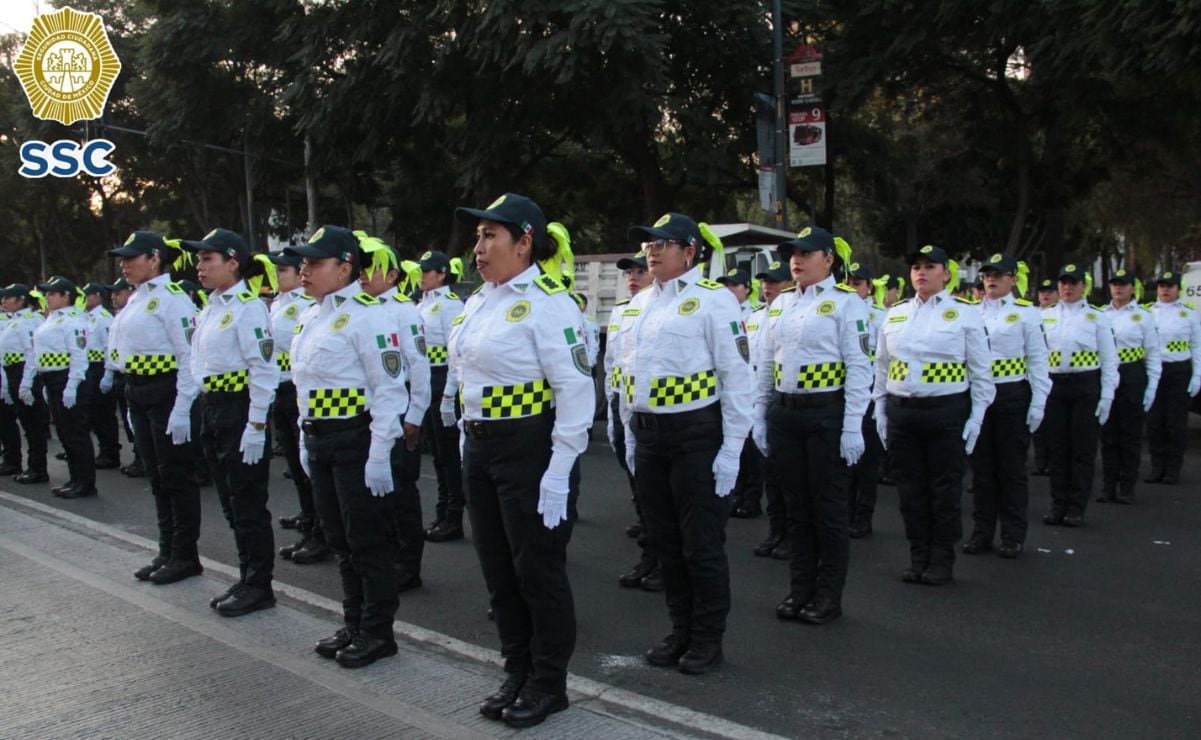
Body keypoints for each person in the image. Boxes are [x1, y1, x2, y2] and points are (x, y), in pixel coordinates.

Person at [449, 194, 592, 727]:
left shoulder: (550, 303)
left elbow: (575, 392)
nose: (478, 248)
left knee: (538, 572)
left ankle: (548, 683)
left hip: (530, 448)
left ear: (525, 241)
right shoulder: (479, 301)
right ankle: (517, 670)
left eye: (491, 237)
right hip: (482, 447)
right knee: (498, 570)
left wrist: (559, 472)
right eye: (477, 237)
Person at [620, 212, 754, 674]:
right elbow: (629, 377)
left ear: (690, 250)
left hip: (697, 436)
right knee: (665, 541)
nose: (651, 251)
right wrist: (630, 435)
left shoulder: (714, 301)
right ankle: (680, 629)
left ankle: (707, 638)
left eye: (663, 243)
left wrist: (733, 450)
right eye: (648, 244)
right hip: (649, 436)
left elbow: (737, 378)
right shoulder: (640, 305)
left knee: (701, 544)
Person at [286, 225, 409, 668]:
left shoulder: (370, 315)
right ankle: (354, 621)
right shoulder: (310, 316)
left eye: (314, 263)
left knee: (366, 541)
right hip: (321, 438)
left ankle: (378, 632)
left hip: (356, 439)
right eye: (302, 263)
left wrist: (380, 452)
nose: (304, 270)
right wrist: (304, 436)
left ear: (344, 268)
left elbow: (390, 389)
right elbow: (306, 384)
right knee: (339, 539)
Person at [754, 227, 870, 624]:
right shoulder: (782, 303)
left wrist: (853, 424)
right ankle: (800, 588)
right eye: (792, 254)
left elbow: (858, 366)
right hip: (786, 415)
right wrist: (760, 413)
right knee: (795, 508)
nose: (796, 260)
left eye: (806, 253)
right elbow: (767, 363)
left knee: (828, 509)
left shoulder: (846, 304)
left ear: (829, 259)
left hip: (826, 414)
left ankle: (827, 595)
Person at [875, 245, 994, 585]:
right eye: (915, 267)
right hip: (903, 412)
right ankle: (918, 555)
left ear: (946, 272)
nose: (921, 273)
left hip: (945, 411)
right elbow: (882, 367)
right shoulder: (896, 313)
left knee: (944, 490)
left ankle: (942, 558)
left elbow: (981, 374)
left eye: (929, 266)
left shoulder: (966, 313)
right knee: (910, 491)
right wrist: (881, 411)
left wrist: (976, 419)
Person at [183, 229, 280, 616]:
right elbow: (198, 360)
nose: (200, 267)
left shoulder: (248, 307)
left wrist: (256, 426)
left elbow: (263, 370)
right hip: (213, 408)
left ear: (233, 262)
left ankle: (259, 585)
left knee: (248, 503)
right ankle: (247, 575)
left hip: (238, 409)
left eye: (208, 259)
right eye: (199, 260)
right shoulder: (212, 306)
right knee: (230, 502)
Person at [108, 231, 204, 584]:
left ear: (154, 259)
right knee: (157, 476)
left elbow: (187, 356)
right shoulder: (136, 298)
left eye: (131, 257)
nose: (124, 264)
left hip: (166, 391)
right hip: (138, 390)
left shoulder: (173, 299)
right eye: (122, 258)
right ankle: (167, 549)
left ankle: (185, 555)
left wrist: (182, 407)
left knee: (176, 476)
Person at [356, 234, 432, 593]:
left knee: (401, 493)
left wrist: (415, 414)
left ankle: (408, 564)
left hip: (399, 412)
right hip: (367, 416)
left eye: (372, 269)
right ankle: (384, 556)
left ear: (392, 275)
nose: (364, 275)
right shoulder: (357, 308)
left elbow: (418, 367)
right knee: (375, 494)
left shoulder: (403, 310)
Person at [963, 255, 1050, 559]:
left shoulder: (1027, 314)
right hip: (977, 395)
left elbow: (1038, 360)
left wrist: (1039, 400)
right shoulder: (970, 312)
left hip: (1011, 393)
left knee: (1011, 469)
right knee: (982, 470)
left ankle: (1012, 535)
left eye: (999, 275)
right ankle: (982, 532)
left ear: (1013, 279)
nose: (991, 279)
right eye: (987, 274)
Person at [1040, 263, 1118, 526]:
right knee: (1058, 449)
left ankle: (1076, 507)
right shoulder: (1045, 315)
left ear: (1083, 285)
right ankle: (1057, 504)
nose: (1067, 288)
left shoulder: (1097, 317)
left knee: (1082, 449)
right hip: (1054, 385)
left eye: (1073, 283)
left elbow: (1109, 360)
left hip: (1085, 385)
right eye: (1063, 282)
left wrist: (1107, 395)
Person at [607, 249, 662, 591]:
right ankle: (650, 552)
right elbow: (612, 363)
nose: (634, 276)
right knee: (639, 489)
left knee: (658, 498)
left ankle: (662, 561)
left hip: (657, 410)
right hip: (623, 403)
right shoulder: (620, 312)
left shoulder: (663, 311)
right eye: (629, 272)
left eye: (640, 270)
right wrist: (613, 415)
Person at [268, 251, 326, 563]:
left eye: (284, 269)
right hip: (279, 388)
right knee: (295, 463)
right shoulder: (280, 304)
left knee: (309, 469)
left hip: (297, 390)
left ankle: (320, 532)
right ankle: (309, 521)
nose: (279, 274)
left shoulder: (306, 305)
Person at [21, 276, 95, 497]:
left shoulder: (73, 319)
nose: (47, 297)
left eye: (52, 294)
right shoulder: (51, 319)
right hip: (52, 380)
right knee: (64, 433)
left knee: (76, 434)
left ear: (66, 296)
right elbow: (40, 353)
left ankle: (86, 483)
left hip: (68, 379)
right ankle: (75, 479)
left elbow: (79, 356)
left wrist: (72, 385)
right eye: (47, 294)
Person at [1097, 270, 1161, 503]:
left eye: (1123, 285)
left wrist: (1152, 386)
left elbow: (1153, 354)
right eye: (1114, 284)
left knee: (1130, 434)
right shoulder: (1101, 314)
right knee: (1108, 434)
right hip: (1106, 374)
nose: (1118, 289)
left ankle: (1127, 487)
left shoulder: (1143, 316)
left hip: (1131, 373)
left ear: (1133, 288)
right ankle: (1108, 486)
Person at [419, 249, 467, 543]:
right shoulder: (422, 304)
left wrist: (449, 394)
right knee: (437, 454)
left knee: (448, 455)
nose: (421, 276)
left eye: (427, 271)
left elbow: (455, 354)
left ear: (441, 274)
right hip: (426, 381)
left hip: (442, 381)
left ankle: (453, 517)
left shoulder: (449, 305)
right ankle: (442, 511)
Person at [747, 260, 794, 555]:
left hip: (788, 397)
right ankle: (776, 532)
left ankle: (792, 535)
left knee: (790, 477)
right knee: (772, 476)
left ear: (789, 284)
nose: (767, 287)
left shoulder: (793, 312)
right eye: (765, 281)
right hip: (761, 395)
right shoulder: (755, 317)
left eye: (775, 281)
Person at [717, 268, 766, 528]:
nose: (729, 290)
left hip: (755, 386)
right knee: (737, 446)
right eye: (725, 285)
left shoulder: (755, 315)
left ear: (747, 288)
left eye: (734, 285)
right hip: (734, 389)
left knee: (752, 450)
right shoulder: (722, 313)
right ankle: (737, 493)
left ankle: (752, 498)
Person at [1145, 270, 1201, 484]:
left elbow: (1197, 347)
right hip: (1154, 372)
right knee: (1154, 422)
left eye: (1170, 286)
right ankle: (1157, 466)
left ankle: (1173, 468)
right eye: (1162, 286)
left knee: (1175, 423)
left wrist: (1197, 376)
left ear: (1179, 289)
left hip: (1179, 370)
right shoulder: (1147, 312)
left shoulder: (1189, 314)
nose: (1165, 290)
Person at [844, 261, 886, 538]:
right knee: (846, 461)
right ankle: (846, 513)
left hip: (870, 391)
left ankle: (863, 516)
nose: (851, 288)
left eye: (857, 284)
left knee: (868, 462)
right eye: (848, 282)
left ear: (869, 288)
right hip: (846, 392)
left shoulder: (881, 317)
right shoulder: (839, 311)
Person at [0, 284, 48, 482]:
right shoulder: (16, 320)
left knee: (34, 425)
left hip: (24, 372)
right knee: (28, 424)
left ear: (21, 300)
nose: (3, 301)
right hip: (13, 372)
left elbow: (31, 353)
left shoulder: (28, 320)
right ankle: (29, 466)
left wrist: (26, 383)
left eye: (7, 298)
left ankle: (37, 469)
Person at [81, 282, 121, 469]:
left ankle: (110, 453)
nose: (84, 299)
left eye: (87, 295)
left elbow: (108, 347)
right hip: (90, 368)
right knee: (94, 413)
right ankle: (103, 449)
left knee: (104, 414)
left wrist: (108, 374)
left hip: (100, 368)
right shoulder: (87, 317)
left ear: (97, 296)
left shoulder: (103, 318)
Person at [1031, 278, 1059, 476]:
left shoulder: (1059, 315)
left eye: (1049, 291)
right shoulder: (1032, 314)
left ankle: (1053, 460)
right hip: (1036, 374)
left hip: (1056, 374)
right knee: (1038, 423)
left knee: (1052, 421)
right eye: (1042, 292)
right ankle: (1041, 461)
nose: (1045, 295)